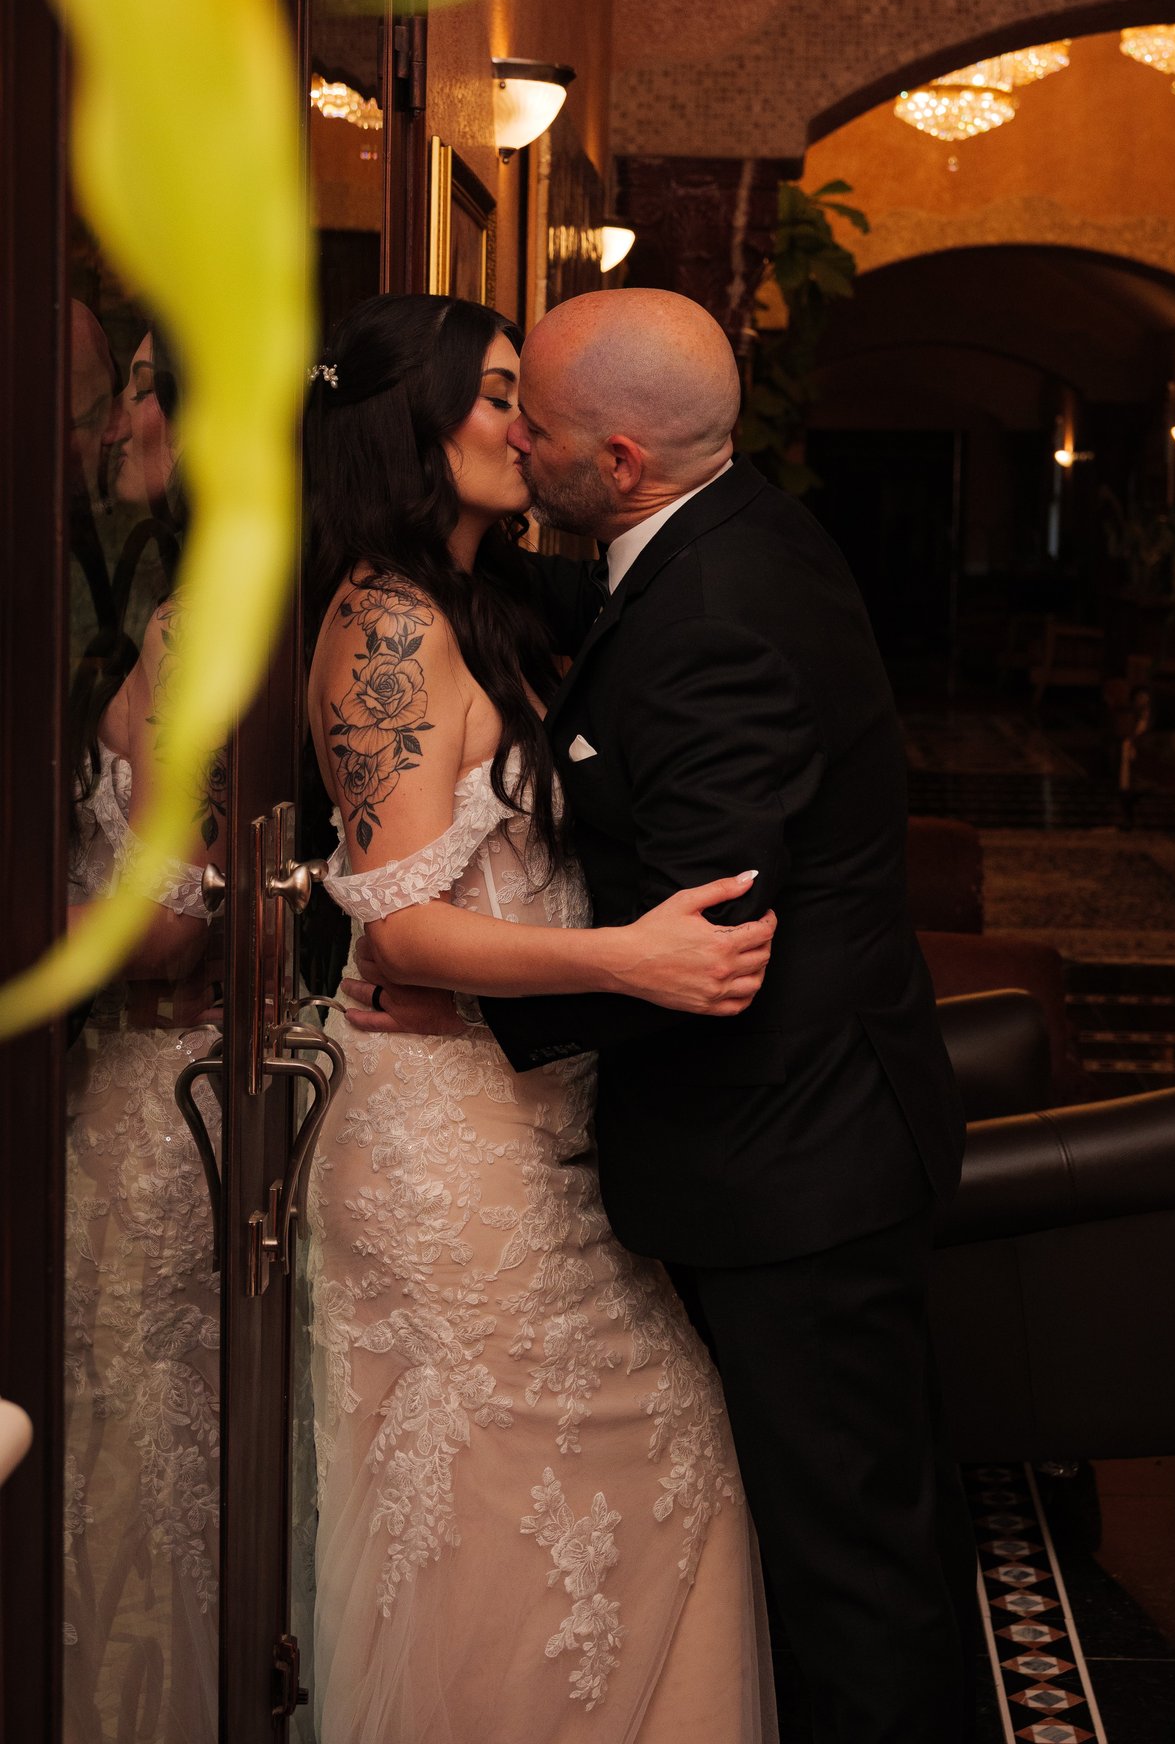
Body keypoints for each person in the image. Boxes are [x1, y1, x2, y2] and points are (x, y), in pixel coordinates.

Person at [356, 287, 972, 1744]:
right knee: (844, 1552)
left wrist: (463, 1001)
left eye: (538, 421)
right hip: (805, 1135)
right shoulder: (714, 534)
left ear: (618, 465)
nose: (517, 438)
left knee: (851, 1583)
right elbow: (597, 616)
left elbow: (701, 946)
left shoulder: (720, 614)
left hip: (794, 1163)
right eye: (494, 408)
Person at [301, 292, 778, 1744]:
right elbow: (399, 923)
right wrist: (629, 962)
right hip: (443, 1148)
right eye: (499, 396)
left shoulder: (482, 607)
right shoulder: (383, 625)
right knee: (512, 1506)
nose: (528, 426)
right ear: (412, 425)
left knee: (625, 1471)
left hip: (523, 1129)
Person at [64, 325, 226, 1744]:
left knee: (138, 1441)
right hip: (216, 1085)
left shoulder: (193, 627)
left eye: (132, 386)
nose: (116, 420)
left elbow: (168, 916)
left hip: (153, 1081)